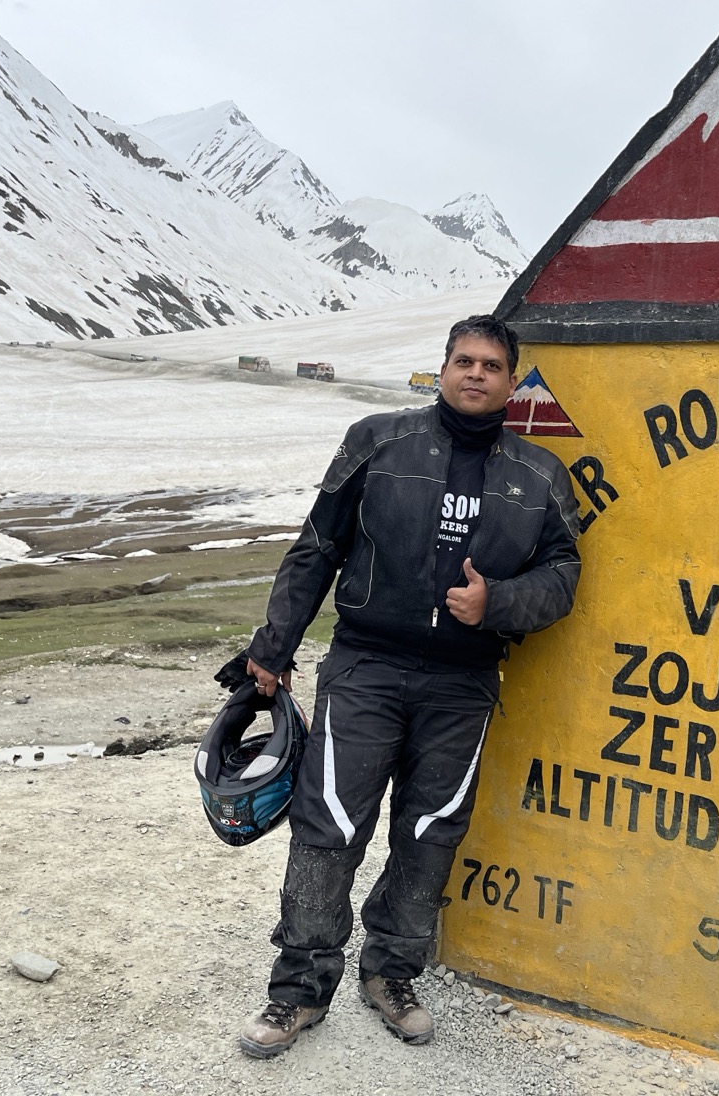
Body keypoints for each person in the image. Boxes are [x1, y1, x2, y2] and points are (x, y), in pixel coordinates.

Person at [235, 314, 582, 1058]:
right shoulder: (378, 442)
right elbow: (317, 546)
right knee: (328, 825)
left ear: (513, 381)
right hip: (366, 668)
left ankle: (391, 972)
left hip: (463, 682)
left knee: (429, 834)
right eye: (464, 360)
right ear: (446, 366)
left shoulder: (540, 476)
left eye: (492, 365)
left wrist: (499, 605)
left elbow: (563, 578)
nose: (476, 374)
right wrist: (274, 646)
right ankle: (298, 987)